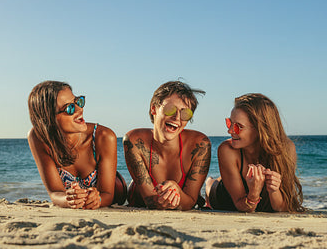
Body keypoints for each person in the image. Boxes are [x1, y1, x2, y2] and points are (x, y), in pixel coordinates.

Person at [27, 81, 119, 209]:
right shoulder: (39, 138)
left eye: (78, 101)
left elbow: (108, 194)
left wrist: (98, 199)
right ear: (49, 119)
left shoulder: (103, 137)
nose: (79, 109)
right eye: (69, 108)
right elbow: (54, 193)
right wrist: (68, 199)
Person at [206, 93, 304, 213]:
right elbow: (243, 207)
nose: (230, 130)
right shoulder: (227, 149)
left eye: (238, 127)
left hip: (257, 199)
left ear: (260, 129)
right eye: (229, 123)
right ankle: (209, 182)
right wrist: (254, 192)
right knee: (211, 187)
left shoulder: (286, 149)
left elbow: (282, 208)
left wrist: (274, 190)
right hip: (225, 198)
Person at [124, 81, 211, 210]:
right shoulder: (134, 141)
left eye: (185, 113)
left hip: (180, 199)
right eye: (170, 109)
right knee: (118, 187)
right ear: (154, 108)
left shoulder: (200, 145)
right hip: (137, 197)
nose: (177, 118)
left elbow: (191, 201)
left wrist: (178, 192)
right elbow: (150, 201)